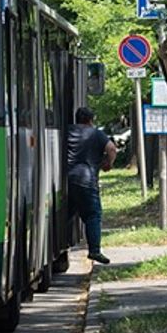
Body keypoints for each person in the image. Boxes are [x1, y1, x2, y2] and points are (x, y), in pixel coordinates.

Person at [67, 106, 118, 265]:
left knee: (67, 214)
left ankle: (62, 244)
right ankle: (94, 251)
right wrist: (108, 164)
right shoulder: (96, 133)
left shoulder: (68, 131)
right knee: (92, 215)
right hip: (87, 180)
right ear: (91, 120)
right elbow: (111, 148)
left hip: (67, 179)